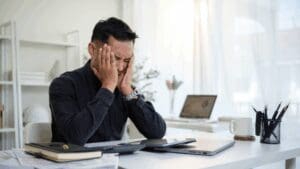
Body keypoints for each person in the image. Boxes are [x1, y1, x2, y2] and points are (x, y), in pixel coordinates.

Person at [49, 17, 166, 145]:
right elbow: (76, 138)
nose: (121, 67)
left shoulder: (124, 88)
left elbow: (157, 132)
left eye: (127, 61)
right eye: (115, 58)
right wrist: (108, 86)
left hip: (116, 162)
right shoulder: (63, 84)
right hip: (74, 163)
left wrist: (127, 90)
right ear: (92, 50)